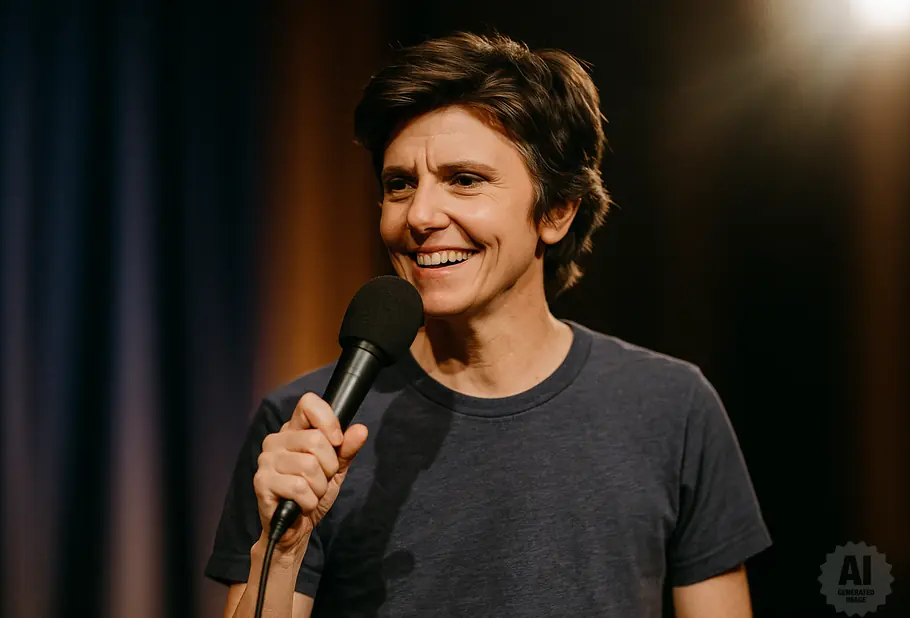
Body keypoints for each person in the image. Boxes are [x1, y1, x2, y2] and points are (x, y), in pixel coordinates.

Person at [205, 32, 772, 618]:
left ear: (556, 211)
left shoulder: (673, 408)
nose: (419, 215)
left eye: (465, 180)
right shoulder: (309, 422)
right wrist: (285, 549)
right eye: (400, 184)